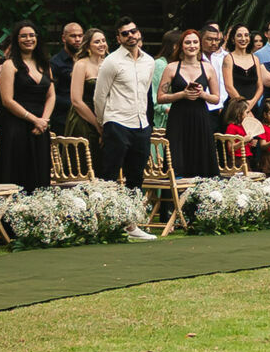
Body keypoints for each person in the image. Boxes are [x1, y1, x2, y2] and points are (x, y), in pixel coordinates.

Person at [94, 19, 158, 232]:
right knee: (110, 173)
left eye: (134, 31)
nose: (131, 35)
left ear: (139, 33)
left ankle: (131, 223)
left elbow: (146, 93)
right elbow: (100, 96)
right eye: (125, 33)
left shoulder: (149, 61)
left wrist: (147, 123)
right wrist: (104, 124)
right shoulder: (112, 61)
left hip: (141, 123)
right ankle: (107, 222)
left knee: (136, 174)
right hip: (116, 121)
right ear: (119, 38)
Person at [0, 20, 55, 192]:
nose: (28, 39)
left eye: (32, 35)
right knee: (18, 172)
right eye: (23, 36)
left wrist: (43, 120)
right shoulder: (10, 65)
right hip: (16, 127)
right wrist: (33, 119)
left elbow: (51, 95)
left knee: (39, 174)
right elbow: (7, 100)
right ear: (16, 40)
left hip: (40, 128)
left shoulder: (44, 65)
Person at [159, 28, 222, 178]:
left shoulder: (208, 68)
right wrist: (182, 94)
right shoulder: (172, 68)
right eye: (187, 42)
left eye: (195, 42)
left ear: (200, 45)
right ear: (181, 46)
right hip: (178, 118)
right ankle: (174, 198)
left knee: (201, 158)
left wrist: (202, 94)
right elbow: (160, 97)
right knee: (177, 159)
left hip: (200, 117)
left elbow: (216, 98)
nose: (191, 45)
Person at [62, 29, 107, 147]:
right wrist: (97, 125)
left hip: (105, 116)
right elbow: (76, 100)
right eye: (97, 42)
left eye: (103, 40)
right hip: (83, 119)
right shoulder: (81, 65)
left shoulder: (107, 64)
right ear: (88, 46)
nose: (102, 44)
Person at [49, 21, 85, 133]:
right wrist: (75, 103)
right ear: (64, 38)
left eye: (80, 36)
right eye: (73, 36)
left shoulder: (86, 60)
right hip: (63, 119)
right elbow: (51, 94)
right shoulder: (56, 63)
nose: (78, 39)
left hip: (86, 117)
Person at [223, 24, 264, 112]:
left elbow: (260, 86)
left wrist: (252, 103)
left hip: (253, 106)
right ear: (233, 39)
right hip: (235, 108)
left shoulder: (255, 59)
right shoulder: (228, 59)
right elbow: (229, 86)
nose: (243, 39)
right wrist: (243, 106)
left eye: (246, 35)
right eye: (239, 35)